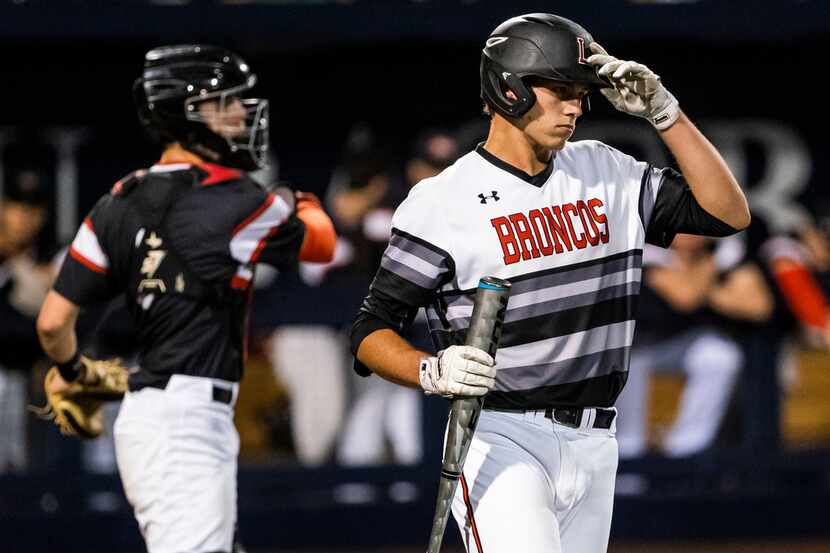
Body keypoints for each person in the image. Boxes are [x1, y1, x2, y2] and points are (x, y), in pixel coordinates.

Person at [349, 13, 749, 553]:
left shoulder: (608, 171)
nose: (576, 106)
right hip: (500, 434)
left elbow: (727, 214)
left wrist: (666, 113)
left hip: (597, 439)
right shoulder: (442, 201)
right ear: (508, 88)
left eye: (581, 92)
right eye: (560, 89)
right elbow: (370, 330)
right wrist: (430, 369)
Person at [35, 45, 335, 553]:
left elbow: (51, 322)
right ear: (187, 113)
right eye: (226, 102)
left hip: (157, 418)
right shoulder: (237, 200)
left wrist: (74, 373)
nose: (242, 113)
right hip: (186, 426)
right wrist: (293, 199)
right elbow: (321, 244)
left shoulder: (118, 202)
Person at [0, 170, 51, 473]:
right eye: (17, 207)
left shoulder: (50, 255)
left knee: (21, 470)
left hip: (26, 378)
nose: (24, 217)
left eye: (33, 210)